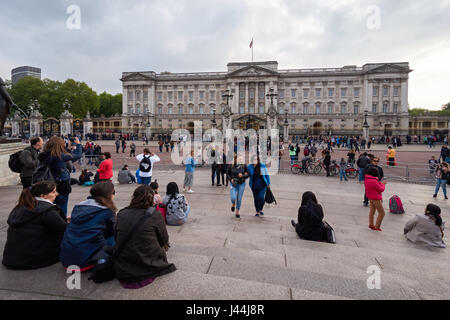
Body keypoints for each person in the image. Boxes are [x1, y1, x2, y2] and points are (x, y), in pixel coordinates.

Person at [114, 185, 176, 289]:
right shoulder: (155, 214)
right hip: (148, 262)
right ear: (151, 199)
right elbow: (164, 239)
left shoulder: (121, 213)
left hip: (123, 263)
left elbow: (116, 237)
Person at [2, 181, 67, 270]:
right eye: (53, 192)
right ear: (43, 196)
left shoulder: (21, 207)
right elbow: (64, 229)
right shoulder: (47, 210)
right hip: (34, 260)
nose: (57, 194)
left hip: (11, 258)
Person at [60, 181, 116, 272]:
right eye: (113, 192)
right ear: (109, 195)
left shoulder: (78, 207)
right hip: (85, 262)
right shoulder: (106, 211)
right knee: (115, 237)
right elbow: (112, 231)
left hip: (66, 260)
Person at [38, 136, 82, 216]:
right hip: (61, 184)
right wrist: (78, 144)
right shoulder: (59, 156)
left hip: (49, 183)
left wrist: (68, 149)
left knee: (51, 204)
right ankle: (61, 222)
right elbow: (77, 155)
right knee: (62, 206)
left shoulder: (44, 155)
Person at [365, 166, 387, 232]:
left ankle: (371, 224)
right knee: (382, 213)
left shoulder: (367, 178)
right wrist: (383, 184)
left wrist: (380, 183)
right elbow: (381, 189)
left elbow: (376, 185)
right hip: (376, 198)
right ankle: (377, 226)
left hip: (370, 197)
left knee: (372, 211)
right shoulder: (374, 181)